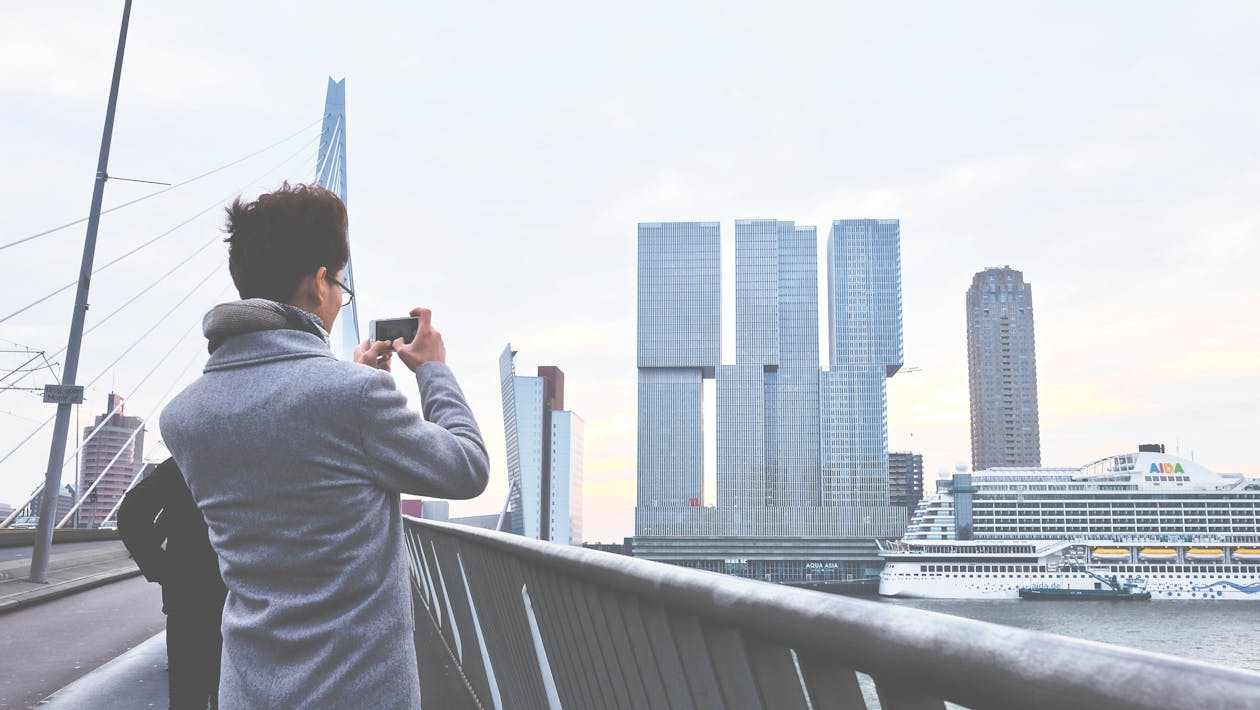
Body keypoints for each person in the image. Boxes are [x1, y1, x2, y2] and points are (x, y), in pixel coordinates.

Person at [159, 183, 490, 709]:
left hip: (247, 691)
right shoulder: (354, 400)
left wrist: (350, 386)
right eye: (341, 285)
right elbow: (467, 468)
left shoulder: (184, 416)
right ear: (319, 283)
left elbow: (287, 449)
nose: (339, 299)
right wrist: (434, 372)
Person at [117, 456, 227, 710]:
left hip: (188, 605)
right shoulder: (265, 452)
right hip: (243, 603)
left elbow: (132, 513)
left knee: (187, 699)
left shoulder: (189, 458)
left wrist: (164, 571)